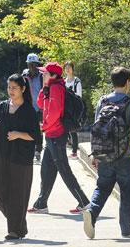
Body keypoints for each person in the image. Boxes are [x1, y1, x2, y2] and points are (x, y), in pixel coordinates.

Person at [81, 67, 130, 239]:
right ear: (128, 82)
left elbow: (96, 129)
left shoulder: (103, 101)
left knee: (102, 187)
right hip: (124, 156)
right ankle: (126, 227)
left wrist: (95, 154)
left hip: (104, 154)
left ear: (113, 82)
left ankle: (92, 212)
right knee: (127, 191)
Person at [28, 62, 90, 215]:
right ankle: (41, 204)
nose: (43, 75)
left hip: (56, 134)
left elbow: (54, 112)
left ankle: (84, 202)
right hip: (51, 135)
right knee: (46, 169)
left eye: (46, 73)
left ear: (54, 75)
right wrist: (44, 87)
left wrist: (44, 127)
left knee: (64, 170)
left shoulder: (56, 88)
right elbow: (40, 104)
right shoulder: (51, 87)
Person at [0, 74, 40, 240]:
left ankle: (15, 230)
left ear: (23, 89)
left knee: (18, 194)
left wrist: (18, 134)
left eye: (14, 88)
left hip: (21, 158)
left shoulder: (29, 110)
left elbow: (36, 136)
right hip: (2, 154)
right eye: (9, 87)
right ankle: (18, 223)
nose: (11, 91)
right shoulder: (2, 106)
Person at [21, 53, 44, 161]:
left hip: (40, 108)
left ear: (37, 65)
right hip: (28, 107)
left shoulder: (42, 76)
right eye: (30, 65)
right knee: (28, 129)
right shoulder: (24, 75)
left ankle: (38, 150)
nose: (32, 67)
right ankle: (29, 149)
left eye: (34, 64)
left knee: (39, 130)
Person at [64, 61, 82, 159]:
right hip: (65, 109)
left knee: (73, 131)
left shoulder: (77, 81)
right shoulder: (64, 81)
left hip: (74, 109)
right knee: (65, 130)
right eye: (66, 68)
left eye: (69, 67)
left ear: (72, 69)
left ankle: (74, 152)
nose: (67, 69)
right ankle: (67, 149)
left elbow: (79, 96)